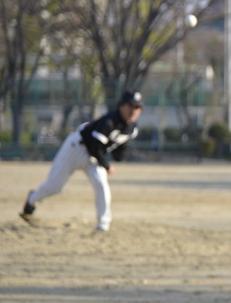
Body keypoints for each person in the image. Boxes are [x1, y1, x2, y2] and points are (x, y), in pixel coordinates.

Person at [21, 89, 143, 232]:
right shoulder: (109, 121)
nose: (133, 110)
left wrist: (121, 150)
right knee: (53, 187)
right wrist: (107, 166)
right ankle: (32, 198)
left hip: (93, 158)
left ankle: (103, 224)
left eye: (137, 107)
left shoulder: (132, 129)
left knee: (101, 185)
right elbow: (94, 146)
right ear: (121, 106)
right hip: (76, 149)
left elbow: (118, 153)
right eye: (130, 106)